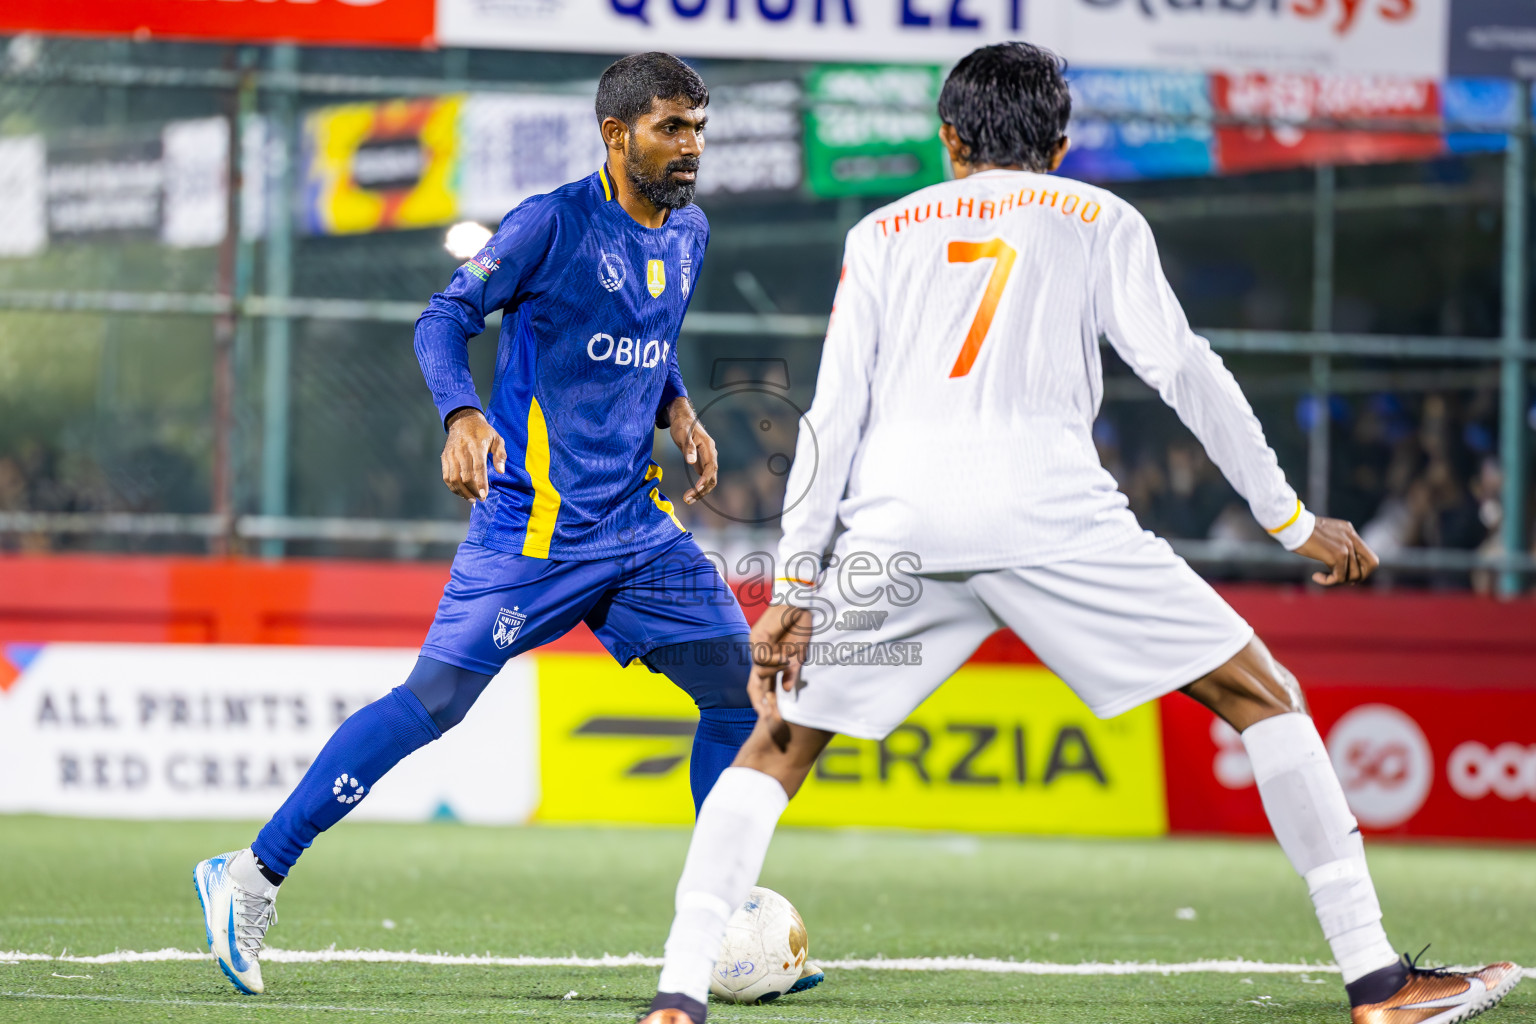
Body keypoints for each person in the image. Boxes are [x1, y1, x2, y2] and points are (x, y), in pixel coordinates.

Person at [639, 43, 1522, 1024]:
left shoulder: (884, 229)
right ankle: (1378, 982)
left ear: (948, 138)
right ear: (1059, 147)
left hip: (903, 521)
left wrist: (796, 588)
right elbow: (1185, 370)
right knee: (1261, 696)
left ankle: (678, 994)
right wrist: (1292, 520)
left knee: (775, 746)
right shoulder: (1099, 217)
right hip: (1048, 511)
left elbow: (830, 418)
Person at [192, 52, 821, 999]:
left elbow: (646, 336)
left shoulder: (688, 229)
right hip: (533, 534)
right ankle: (248, 875)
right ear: (617, 137)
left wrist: (678, 409)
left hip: (637, 530)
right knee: (431, 706)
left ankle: (720, 923)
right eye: (672, 128)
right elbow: (442, 320)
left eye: (698, 127)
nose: (692, 147)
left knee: (741, 699)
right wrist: (460, 413)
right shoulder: (550, 223)